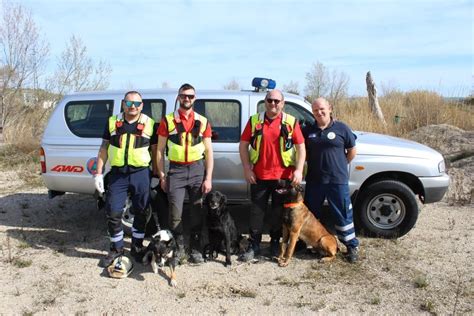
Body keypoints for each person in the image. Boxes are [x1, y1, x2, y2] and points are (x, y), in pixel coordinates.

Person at [239, 89, 306, 261]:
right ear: (265, 102)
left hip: (283, 177)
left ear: (283, 103)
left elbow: (301, 147)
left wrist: (298, 170)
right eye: (270, 100)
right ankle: (254, 245)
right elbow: (243, 144)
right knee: (256, 212)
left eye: (277, 101)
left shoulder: (291, 122)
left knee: (278, 213)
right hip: (259, 175)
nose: (273, 104)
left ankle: (275, 243)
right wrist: (247, 168)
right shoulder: (255, 121)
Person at [94, 91, 156, 268]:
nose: (133, 107)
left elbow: (155, 151)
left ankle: (136, 246)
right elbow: (104, 148)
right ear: (123, 104)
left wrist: (158, 175)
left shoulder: (150, 124)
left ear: (142, 105)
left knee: (141, 211)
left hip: (141, 173)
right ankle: (116, 248)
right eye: (129, 104)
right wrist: (98, 172)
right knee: (113, 212)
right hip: (118, 174)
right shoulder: (112, 122)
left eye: (137, 104)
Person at [155, 83, 213, 264]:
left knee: (196, 211)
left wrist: (208, 177)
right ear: (178, 97)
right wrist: (162, 175)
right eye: (183, 96)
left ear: (195, 98)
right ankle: (178, 248)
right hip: (176, 171)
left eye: (190, 96)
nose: (187, 99)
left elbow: (209, 151)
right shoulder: (168, 120)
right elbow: (159, 150)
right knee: (175, 214)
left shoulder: (203, 121)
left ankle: (195, 249)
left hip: (197, 170)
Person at [302, 97, 360, 263]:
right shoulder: (308, 130)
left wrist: (340, 165)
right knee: (312, 215)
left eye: (322, 109)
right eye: (315, 110)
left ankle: (351, 246)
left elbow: (352, 150)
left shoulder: (342, 128)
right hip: (315, 180)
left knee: (342, 213)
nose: (319, 112)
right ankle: (311, 244)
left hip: (337, 180)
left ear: (330, 109)